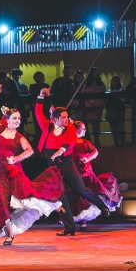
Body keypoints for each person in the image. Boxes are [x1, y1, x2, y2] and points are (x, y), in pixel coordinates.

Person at [0, 84, 64, 245]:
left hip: (13, 172)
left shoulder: (19, 137)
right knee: (1, 202)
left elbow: (30, 151)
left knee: (26, 196)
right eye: (15, 118)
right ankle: (9, 234)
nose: (18, 121)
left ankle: (54, 205)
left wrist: (16, 158)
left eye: (19, 119)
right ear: (7, 119)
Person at [35, 88, 111, 236]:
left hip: (67, 162)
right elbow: (38, 113)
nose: (66, 119)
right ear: (55, 118)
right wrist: (40, 97)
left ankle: (102, 206)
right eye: (63, 117)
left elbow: (70, 141)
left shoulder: (70, 128)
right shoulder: (48, 126)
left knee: (81, 190)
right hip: (53, 166)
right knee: (60, 196)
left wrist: (61, 150)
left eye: (67, 116)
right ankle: (70, 227)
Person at [68, 121, 123, 230]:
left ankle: (87, 218)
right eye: (83, 128)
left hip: (87, 173)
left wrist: (87, 158)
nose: (85, 130)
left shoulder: (85, 142)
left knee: (91, 195)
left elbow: (95, 152)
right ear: (76, 129)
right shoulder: (69, 142)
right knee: (78, 198)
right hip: (75, 174)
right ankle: (80, 221)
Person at [83, 67, 106, 147]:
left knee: (96, 125)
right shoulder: (87, 83)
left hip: (98, 107)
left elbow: (103, 95)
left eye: (97, 73)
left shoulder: (101, 83)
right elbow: (83, 95)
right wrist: (89, 104)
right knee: (87, 125)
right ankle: (88, 142)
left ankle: (96, 141)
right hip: (89, 108)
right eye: (94, 73)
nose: (96, 74)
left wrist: (99, 103)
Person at [104, 76, 126, 146]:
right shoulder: (108, 92)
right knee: (114, 129)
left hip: (119, 112)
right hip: (111, 113)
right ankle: (116, 143)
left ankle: (121, 143)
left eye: (115, 81)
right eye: (113, 81)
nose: (114, 82)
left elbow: (124, 100)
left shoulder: (122, 91)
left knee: (120, 128)